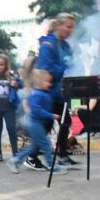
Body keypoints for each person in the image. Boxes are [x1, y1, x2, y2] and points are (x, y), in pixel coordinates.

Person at [34, 13, 78, 166]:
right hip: (49, 93)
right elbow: (45, 71)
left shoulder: (65, 45)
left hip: (62, 92)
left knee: (66, 121)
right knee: (47, 124)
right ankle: (32, 156)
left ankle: (62, 153)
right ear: (59, 26)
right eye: (68, 26)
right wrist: (64, 67)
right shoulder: (48, 45)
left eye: (72, 27)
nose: (70, 30)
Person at [6, 70, 68, 175]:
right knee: (46, 144)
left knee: (34, 147)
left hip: (37, 124)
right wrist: (51, 115)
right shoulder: (37, 94)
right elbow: (36, 110)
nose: (50, 84)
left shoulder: (42, 93)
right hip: (36, 124)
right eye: (48, 82)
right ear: (40, 82)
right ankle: (51, 166)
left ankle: (14, 160)